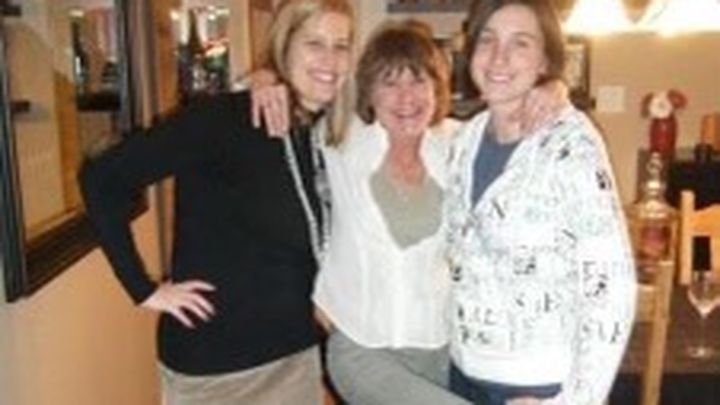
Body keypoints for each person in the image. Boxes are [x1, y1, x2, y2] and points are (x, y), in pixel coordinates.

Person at [78, 0, 353, 404]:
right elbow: (102, 178)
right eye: (314, 43)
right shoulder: (222, 120)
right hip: (217, 371)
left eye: (342, 45)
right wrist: (143, 288)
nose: (331, 59)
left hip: (296, 357)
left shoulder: (324, 133)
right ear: (284, 46)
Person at [443, 1, 637, 404]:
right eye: (487, 39)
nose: (499, 57)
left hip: (537, 388)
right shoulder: (464, 138)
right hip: (463, 375)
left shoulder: (571, 144)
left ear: (545, 60)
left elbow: (611, 287)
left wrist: (573, 401)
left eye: (521, 43)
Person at [313, 21, 470, 404]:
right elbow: (296, 86)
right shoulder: (341, 138)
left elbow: (523, 124)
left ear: (437, 88)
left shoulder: (459, 143)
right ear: (369, 91)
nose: (406, 98)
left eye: (418, 80)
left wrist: (554, 89)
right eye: (389, 82)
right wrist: (266, 78)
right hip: (361, 348)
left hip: (438, 349)